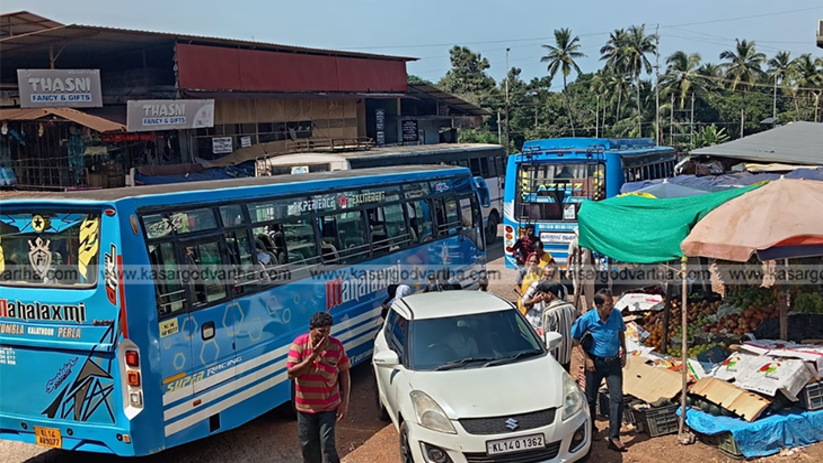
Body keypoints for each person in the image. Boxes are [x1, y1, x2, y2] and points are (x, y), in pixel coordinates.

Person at [287, 312, 352, 463]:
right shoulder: (299, 344)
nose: (325, 336)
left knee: (327, 445)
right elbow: (291, 373)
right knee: (308, 446)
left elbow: (344, 371)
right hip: (305, 408)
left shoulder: (336, 346)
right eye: (321, 332)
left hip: (329, 406)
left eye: (328, 331)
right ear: (311, 329)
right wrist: (313, 356)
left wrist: (345, 401)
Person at [570, 289, 628, 452]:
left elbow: (621, 332)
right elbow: (575, 338)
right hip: (594, 363)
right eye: (608, 304)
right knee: (590, 398)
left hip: (613, 363)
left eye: (612, 303)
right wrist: (587, 359)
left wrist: (624, 350)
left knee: (617, 398)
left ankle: (614, 437)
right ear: (598, 306)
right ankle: (592, 429)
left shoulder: (616, 315)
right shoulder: (587, 319)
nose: (612, 306)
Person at [522, 281, 576, 371]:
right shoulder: (571, 307)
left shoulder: (548, 312)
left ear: (550, 294)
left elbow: (546, 338)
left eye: (543, 295)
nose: (542, 298)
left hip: (554, 358)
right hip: (566, 355)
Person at [568, 228, 596, 313]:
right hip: (577, 270)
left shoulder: (587, 243)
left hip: (588, 270)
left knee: (590, 291)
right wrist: (567, 270)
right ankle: (578, 310)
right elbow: (569, 257)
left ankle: (590, 308)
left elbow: (591, 256)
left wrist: (594, 269)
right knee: (577, 291)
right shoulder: (573, 242)